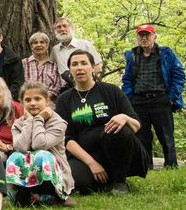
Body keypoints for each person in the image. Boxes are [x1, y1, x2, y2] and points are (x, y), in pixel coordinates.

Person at [55, 50, 147, 194]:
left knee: (121, 129)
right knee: (77, 181)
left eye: (84, 63)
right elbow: (66, 139)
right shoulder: (64, 99)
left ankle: (119, 182)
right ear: (70, 70)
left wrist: (125, 117)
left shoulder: (111, 91)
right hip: (85, 155)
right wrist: (91, 163)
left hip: (116, 149)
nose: (79, 67)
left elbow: (136, 125)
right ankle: (102, 181)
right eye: (74, 64)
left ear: (93, 67)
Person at [122, 24, 186, 169]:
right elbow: (126, 79)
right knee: (142, 136)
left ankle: (171, 167)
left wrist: (171, 97)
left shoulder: (166, 53)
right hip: (138, 101)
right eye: (141, 35)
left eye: (147, 35)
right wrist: (129, 98)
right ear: (137, 38)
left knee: (166, 136)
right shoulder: (132, 55)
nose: (144, 38)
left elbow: (179, 75)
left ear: (154, 37)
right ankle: (146, 167)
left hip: (161, 99)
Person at [7, 82, 75, 206]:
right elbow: (20, 147)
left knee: (41, 155)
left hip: (53, 176)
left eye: (38, 99)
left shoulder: (58, 122)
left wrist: (38, 119)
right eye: (28, 100)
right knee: (15, 157)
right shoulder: (18, 123)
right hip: (27, 176)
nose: (33, 103)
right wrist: (29, 121)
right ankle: (25, 196)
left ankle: (58, 196)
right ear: (22, 103)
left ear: (47, 101)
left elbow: (40, 144)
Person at [52, 17, 103, 82]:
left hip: (85, 85)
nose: (62, 29)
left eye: (65, 26)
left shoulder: (85, 45)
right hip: (65, 89)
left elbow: (97, 67)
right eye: (59, 27)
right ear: (55, 31)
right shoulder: (55, 50)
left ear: (71, 28)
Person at [22, 31, 63, 99]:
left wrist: (43, 98)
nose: (39, 45)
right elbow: (20, 83)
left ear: (47, 45)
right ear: (31, 46)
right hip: (28, 100)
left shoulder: (54, 65)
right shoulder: (24, 63)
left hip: (48, 102)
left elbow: (56, 85)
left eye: (42, 42)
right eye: (35, 43)